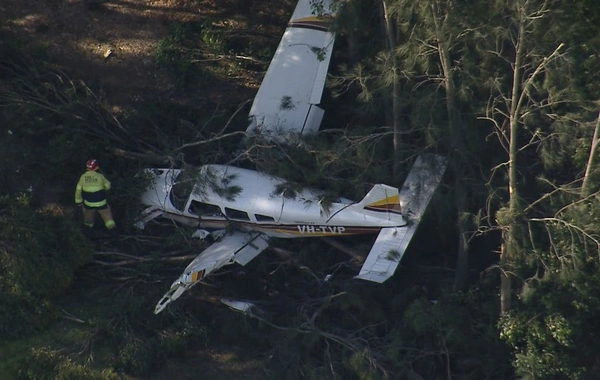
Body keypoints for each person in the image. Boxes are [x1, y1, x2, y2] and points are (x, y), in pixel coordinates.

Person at [74, 159, 116, 230]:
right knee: (107, 216)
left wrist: (78, 201)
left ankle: (89, 232)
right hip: (101, 202)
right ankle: (113, 231)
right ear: (96, 167)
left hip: (88, 203)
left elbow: (78, 190)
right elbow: (108, 185)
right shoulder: (100, 176)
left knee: (88, 219)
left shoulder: (83, 177)